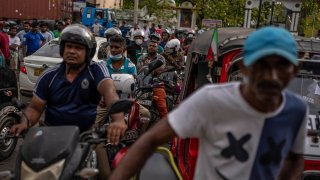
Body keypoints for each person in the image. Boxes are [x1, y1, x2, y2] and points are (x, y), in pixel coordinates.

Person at [109, 27, 308, 180]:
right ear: (243, 66)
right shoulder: (211, 100)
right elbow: (151, 139)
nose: (272, 76)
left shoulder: (297, 109)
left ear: (295, 68)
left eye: (282, 66)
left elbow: (294, 157)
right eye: (262, 65)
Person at [137, 40, 168, 118]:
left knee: (162, 106)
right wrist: (147, 67)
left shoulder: (161, 58)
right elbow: (138, 70)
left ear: (157, 48)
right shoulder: (141, 57)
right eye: (150, 46)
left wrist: (148, 67)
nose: (151, 47)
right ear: (147, 47)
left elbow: (160, 70)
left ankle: (165, 124)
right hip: (142, 83)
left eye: (154, 46)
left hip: (156, 84)